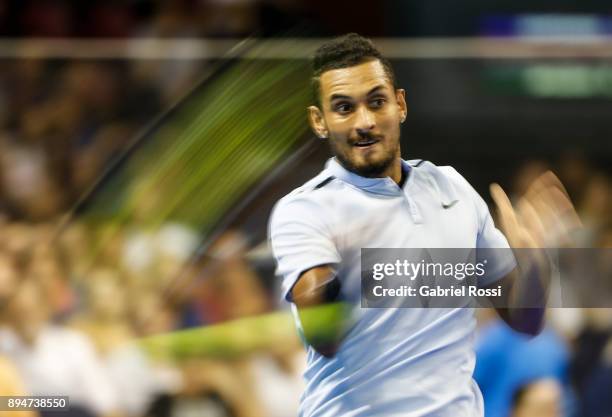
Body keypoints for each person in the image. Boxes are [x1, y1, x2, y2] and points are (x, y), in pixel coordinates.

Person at [268, 33, 580, 416]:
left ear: (400, 105)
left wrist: (534, 264)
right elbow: (323, 337)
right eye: (344, 108)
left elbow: (526, 322)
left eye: (376, 102)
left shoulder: (454, 189)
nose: (364, 121)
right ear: (320, 121)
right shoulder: (305, 209)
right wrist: (342, 265)